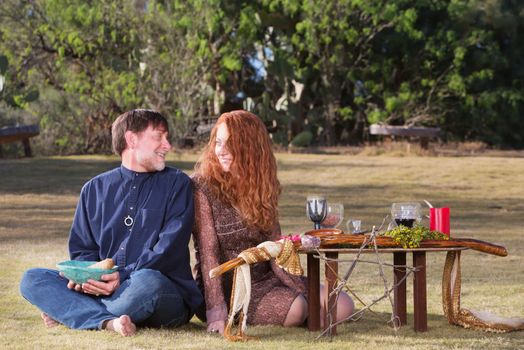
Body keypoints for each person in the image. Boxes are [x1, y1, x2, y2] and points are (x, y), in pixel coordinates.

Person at [20, 109, 203, 336]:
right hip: (104, 291)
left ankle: (71, 312)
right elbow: (83, 251)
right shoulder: (93, 189)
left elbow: (167, 250)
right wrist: (85, 280)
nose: (167, 145)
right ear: (132, 139)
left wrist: (121, 276)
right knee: (32, 279)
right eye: (158, 137)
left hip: (162, 292)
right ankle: (110, 322)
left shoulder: (178, 184)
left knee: (148, 282)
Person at [192, 110, 354, 334]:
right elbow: (208, 255)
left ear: (250, 147)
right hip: (230, 287)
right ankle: (306, 312)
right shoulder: (202, 186)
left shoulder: (261, 186)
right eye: (218, 142)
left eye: (231, 143)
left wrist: (297, 285)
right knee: (298, 308)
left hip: (268, 279)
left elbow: (274, 246)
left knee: (343, 303)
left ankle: (307, 310)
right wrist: (216, 314)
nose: (221, 151)